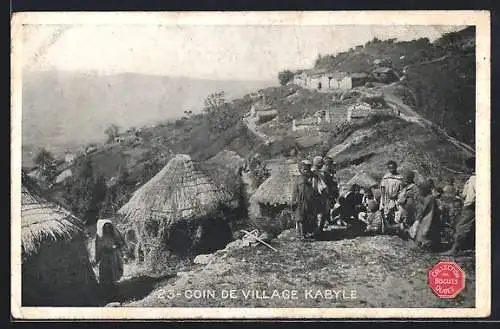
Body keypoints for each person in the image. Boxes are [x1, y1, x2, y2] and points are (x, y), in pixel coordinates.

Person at [441, 157, 476, 255]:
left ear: (471, 168)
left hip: (470, 207)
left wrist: (467, 204)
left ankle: (454, 249)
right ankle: (465, 247)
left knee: (461, 227)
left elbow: (473, 196)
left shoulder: (475, 179)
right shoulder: (472, 178)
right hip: (468, 205)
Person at [95, 219, 127, 303]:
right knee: (105, 275)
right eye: (105, 227)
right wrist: (98, 257)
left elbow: (121, 243)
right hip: (105, 258)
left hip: (114, 257)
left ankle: (115, 294)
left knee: (114, 275)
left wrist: (115, 247)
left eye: (109, 227)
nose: (107, 228)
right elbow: (98, 248)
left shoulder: (114, 235)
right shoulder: (99, 236)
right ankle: (106, 294)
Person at [409, 180, 442, 251]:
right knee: (423, 231)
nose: (419, 192)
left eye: (421, 190)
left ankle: (424, 246)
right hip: (429, 218)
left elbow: (423, 210)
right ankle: (424, 245)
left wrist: (417, 218)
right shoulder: (430, 197)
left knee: (424, 231)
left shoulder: (429, 198)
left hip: (429, 218)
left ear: (425, 190)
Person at [292, 160, 318, 241]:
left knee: (307, 217)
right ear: (300, 170)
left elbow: (313, 190)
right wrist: (293, 200)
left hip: (309, 200)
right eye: (304, 169)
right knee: (300, 218)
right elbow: (295, 190)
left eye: (307, 169)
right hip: (300, 201)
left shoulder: (311, 178)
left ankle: (306, 233)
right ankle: (302, 235)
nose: (306, 171)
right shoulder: (298, 179)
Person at [316, 156, 340, 234]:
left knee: (326, 211)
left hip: (328, 194)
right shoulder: (324, 173)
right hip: (325, 194)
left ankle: (322, 227)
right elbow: (327, 185)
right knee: (324, 211)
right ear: (326, 165)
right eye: (330, 164)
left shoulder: (328, 172)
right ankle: (320, 228)